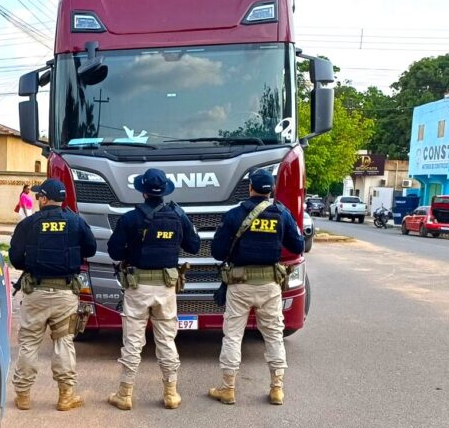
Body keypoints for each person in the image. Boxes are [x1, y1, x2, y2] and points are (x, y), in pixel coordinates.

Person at [106, 168, 201, 411]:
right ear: (164, 192)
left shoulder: (130, 219)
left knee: (133, 341)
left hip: (137, 287)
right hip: (166, 288)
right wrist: (184, 219)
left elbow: (114, 252)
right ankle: (171, 393)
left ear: (143, 191)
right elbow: (194, 246)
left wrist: (132, 251)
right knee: (167, 340)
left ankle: (125, 394)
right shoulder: (177, 217)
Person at [208, 168, 304, 406]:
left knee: (232, 335)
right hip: (270, 285)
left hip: (239, 285)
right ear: (271, 190)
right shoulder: (282, 213)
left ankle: (228, 389)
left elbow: (218, 252)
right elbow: (298, 245)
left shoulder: (233, 215)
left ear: (249, 188)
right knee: (273, 335)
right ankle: (277, 389)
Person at [9, 178, 97, 411]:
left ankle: (23, 396)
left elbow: (15, 259)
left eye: (40, 196)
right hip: (65, 292)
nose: (38, 199)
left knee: (29, 343)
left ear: (45, 199)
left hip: (35, 292)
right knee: (63, 341)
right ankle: (65, 396)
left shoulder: (28, 224)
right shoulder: (76, 222)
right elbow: (91, 249)